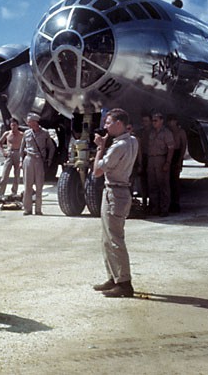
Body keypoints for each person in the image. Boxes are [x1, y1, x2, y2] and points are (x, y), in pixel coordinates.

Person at [92, 108, 139, 298]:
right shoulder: (132, 141)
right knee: (107, 239)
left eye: (109, 122)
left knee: (114, 239)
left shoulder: (118, 147)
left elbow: (97, 171)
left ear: (119, 124)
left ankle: (124, 283)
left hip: (115, 193)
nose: (105, 125)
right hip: (118, 191)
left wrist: (99, 148)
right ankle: (114, 277)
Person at [20, 113, 56, 215]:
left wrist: (49, 159)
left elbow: (51, 147)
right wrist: (20, 161)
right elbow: (22, 148)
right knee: (27, 185)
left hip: (39, 160)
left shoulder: (45, 133)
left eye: (29, 121)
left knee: (39, 185)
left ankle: (38, 210)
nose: (27, 123)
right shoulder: (26, 133)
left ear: (35, 122)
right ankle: (27, 209)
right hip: (28, 159)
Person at [146, 112, 174, 216]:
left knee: (163, 185)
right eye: (153, 120)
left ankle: (164, 208)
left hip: (161, 159)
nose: (154, 123)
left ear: (161, 121)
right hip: (151, 159)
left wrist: (167, 162)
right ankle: (155, 207)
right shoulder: (151, 132)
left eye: (156, 120)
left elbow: (171, 148)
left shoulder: (166, 133)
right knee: (152, 185)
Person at [0, 118, 23, 197]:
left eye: (15, 125)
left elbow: (26, 144)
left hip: (17, 153)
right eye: (12, 125)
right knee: (5, 175)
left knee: (17, 175)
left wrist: (23, 154)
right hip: (9, 152)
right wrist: (3, 151)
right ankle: (0, 193)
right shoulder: (7, 133)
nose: (13, 127)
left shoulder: (22, 134)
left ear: (17, 125)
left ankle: (14, 192)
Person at [167, 115, 188, 213]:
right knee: (167, 181)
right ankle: (168, 202)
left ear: (176, 121)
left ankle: (176, 203)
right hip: (168, 155)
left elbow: (183, 146)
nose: (171, 123)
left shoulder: (180, 132)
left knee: (175, 181)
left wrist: (180, 159)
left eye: (172, 121)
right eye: (169, 121)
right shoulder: (167, 132)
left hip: (176, 155)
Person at [136, 113, 152, 210]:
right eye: (143, 121)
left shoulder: (154, 132)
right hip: (143, 157)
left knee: (153, 181)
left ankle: (153, 203)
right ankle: (144, 201)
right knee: (143, 181)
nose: (144, 123)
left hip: (152, 158)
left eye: (146, 121)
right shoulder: (140, 133)